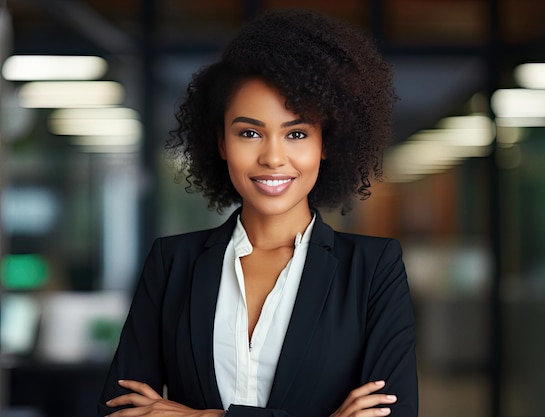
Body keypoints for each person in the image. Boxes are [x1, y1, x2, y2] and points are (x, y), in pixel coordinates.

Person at [97, 8, 418, 417]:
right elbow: (119, 412)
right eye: (249, 133)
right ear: (220, 143)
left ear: (326, 144)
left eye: (296, 133)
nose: (272, 157)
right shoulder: (172, 264)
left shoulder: (373, 270)